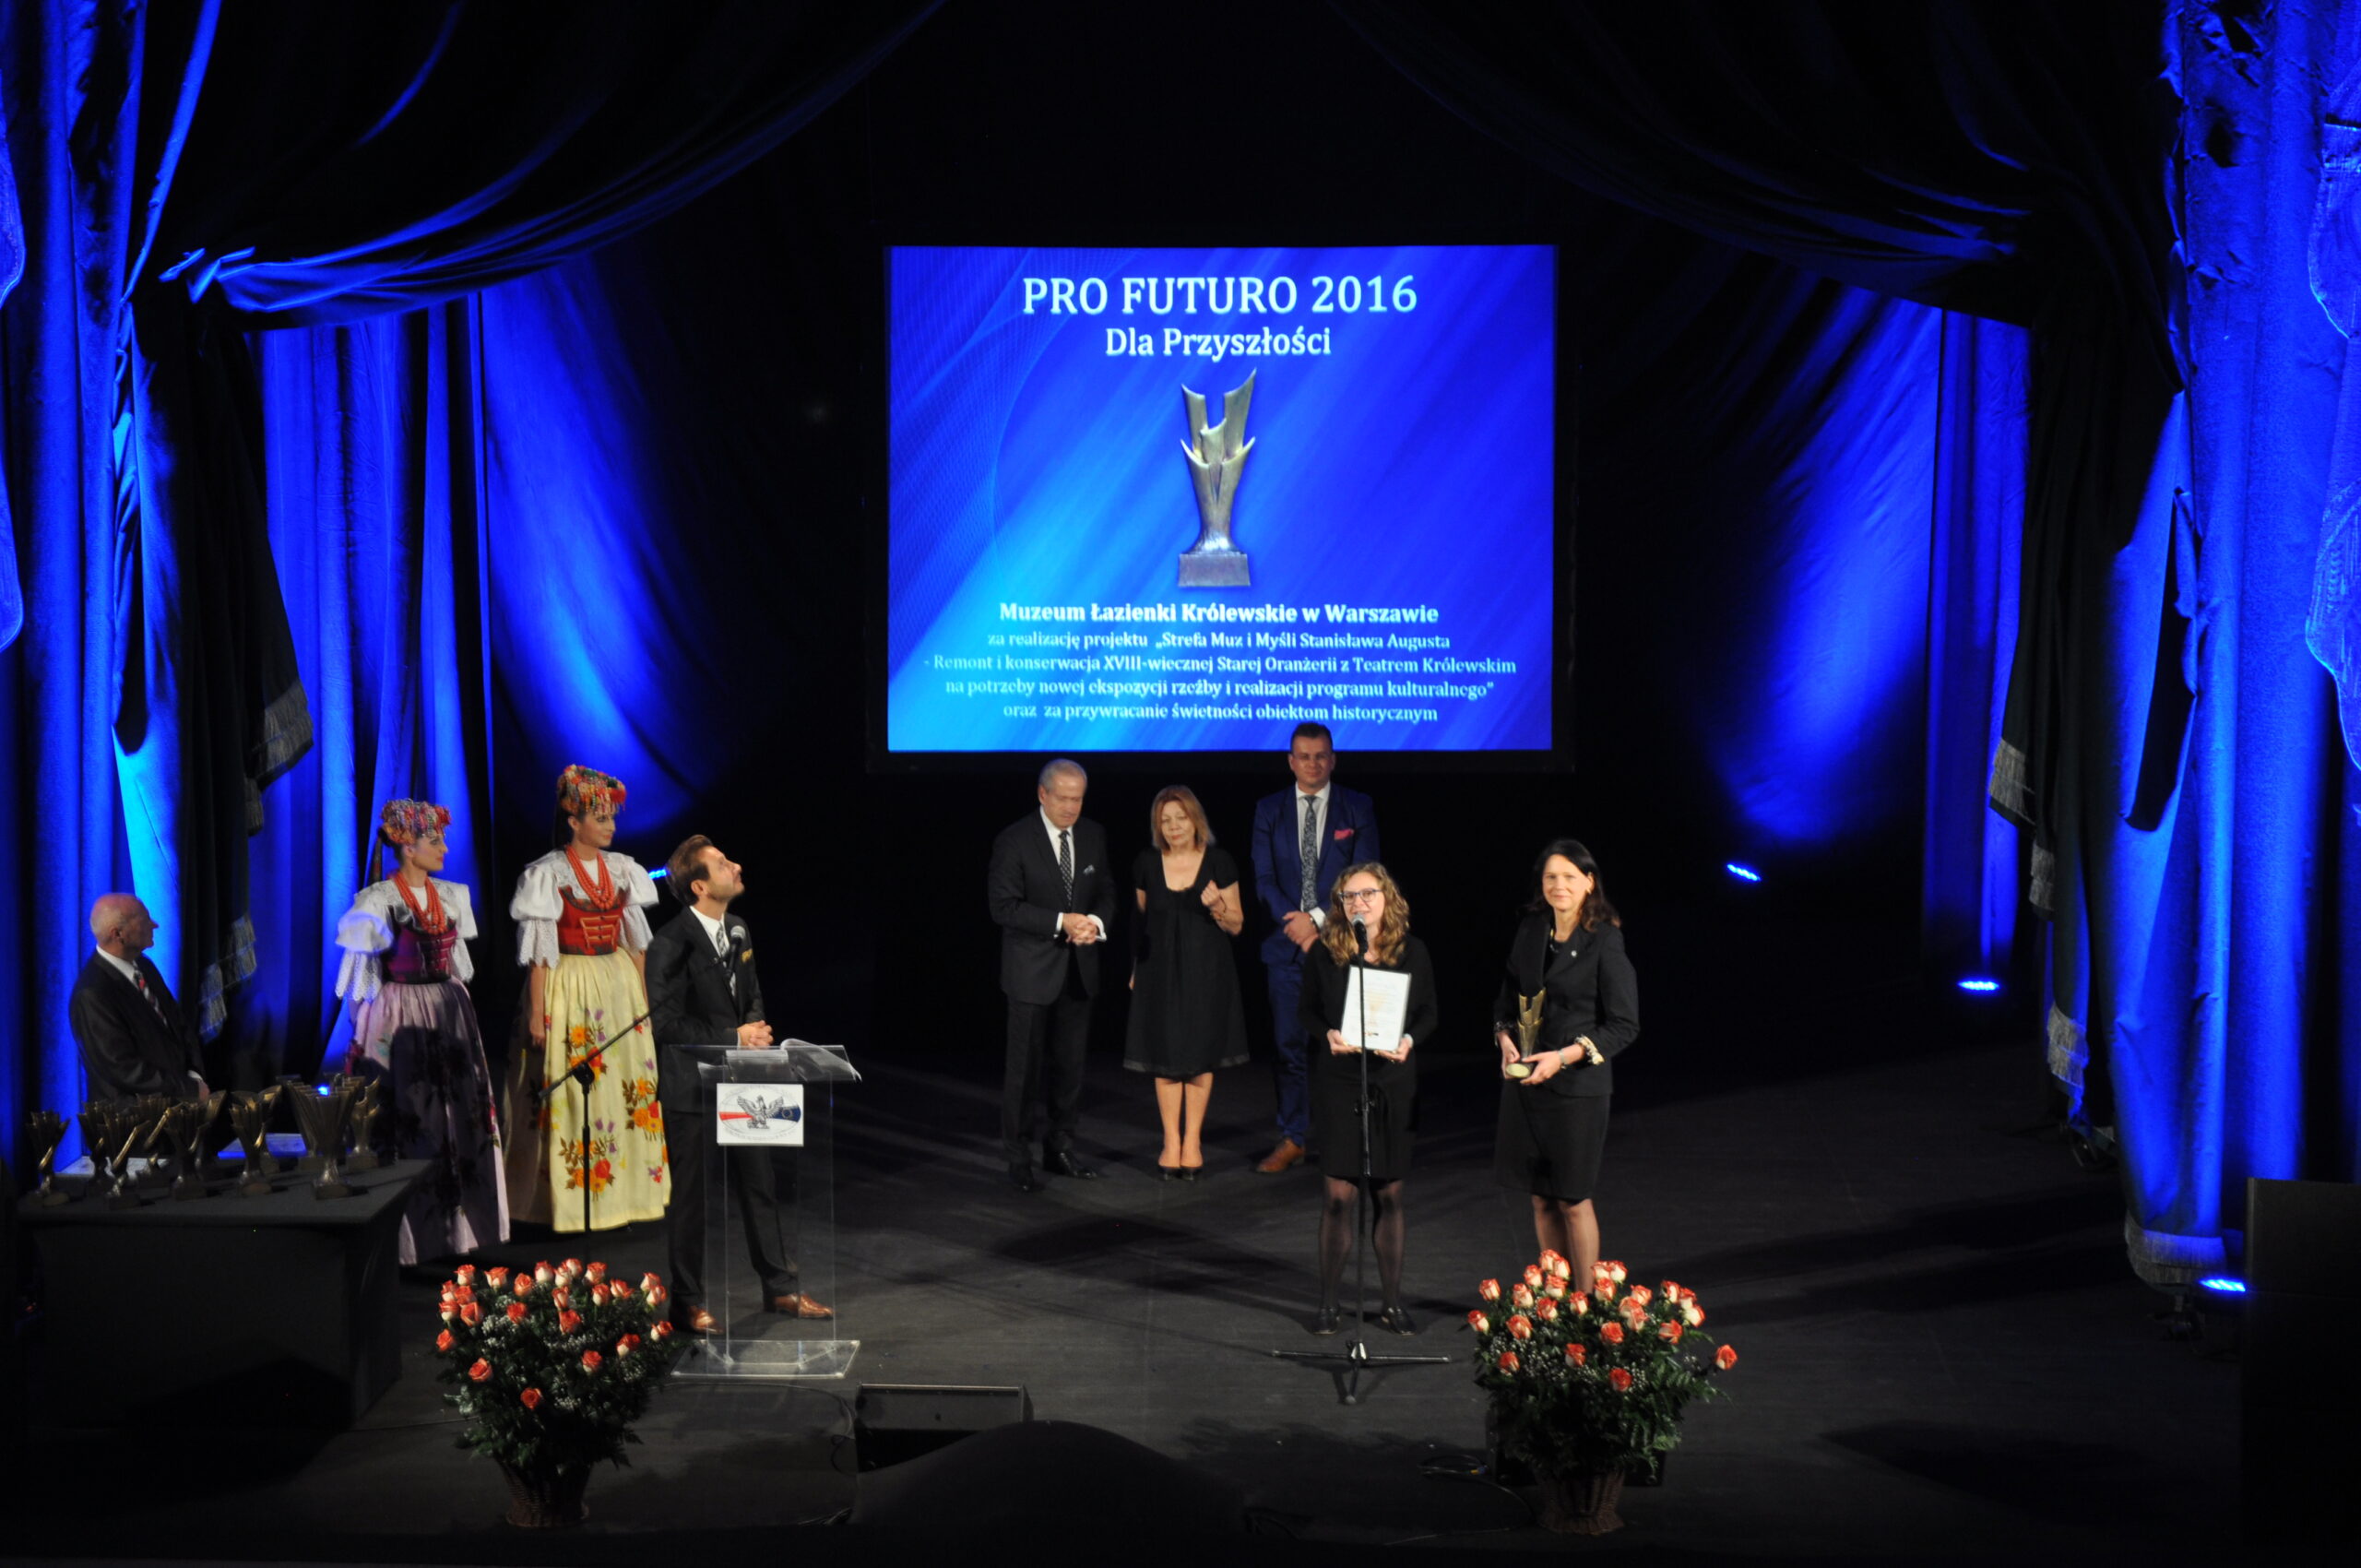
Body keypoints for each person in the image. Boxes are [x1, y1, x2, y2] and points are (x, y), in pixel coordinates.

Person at [647, 835, 830, 1333]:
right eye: (723, 863)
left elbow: (750, 996)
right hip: (691, 1086)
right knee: (691, 1197)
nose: (736, 865)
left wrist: (756, 1032)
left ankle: (780, 1287)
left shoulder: (739, 929)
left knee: (759, 1185)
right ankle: (687, 1301)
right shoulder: (671, 942)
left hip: (742, 1081)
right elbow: (666, 1024)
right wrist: (734, 1037)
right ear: (700, 886)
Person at [332, 799, 508, 1263]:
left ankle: (458, 1234)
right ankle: (406, 1241)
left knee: (456, 1115)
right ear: (407, 847)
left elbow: (457, 967)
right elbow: (360, 985)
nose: (444, 849)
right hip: (399, 1014)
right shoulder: (378, 901)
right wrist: (365, 1042)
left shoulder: (450, 896)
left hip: (448, 1010)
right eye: (435, 841)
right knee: (411, 1118)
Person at [502, 766, 669, 1231]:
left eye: (612, 817)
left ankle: (625, 1195)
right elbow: (539, 953)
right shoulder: (547, 873)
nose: (610, 826)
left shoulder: (624, 869)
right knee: (573, 1088)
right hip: (568, 981)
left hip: (615, 983)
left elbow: (636, 945)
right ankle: (568, 1202)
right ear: (574, 821)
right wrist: (537, 1012)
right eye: (600, 818)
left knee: (623, 1086)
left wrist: (641, 1002)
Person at [1492, 839, 1640, 1286]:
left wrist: (1563, 1056)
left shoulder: (1605, 939)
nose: (1559, 885)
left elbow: (1624, 1024)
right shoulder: (1532, 929)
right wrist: (1504, 1037)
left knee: (1572, 1200)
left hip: (1578, 1088)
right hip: (1528, 1084)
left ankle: (1586, 1302)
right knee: (1540, 1198)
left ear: (1589, 882)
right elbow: (1509, 994)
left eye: (1570, 877)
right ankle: (1554, 1298)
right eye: (1551, 877)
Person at [1299, 861, 1435, 1336]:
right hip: (1340, 1079)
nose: (1358, 902)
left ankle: (1392, 1304)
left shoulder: (1412, 951)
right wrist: (1328, 1034)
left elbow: (1429, 1013)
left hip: (1392, 1080)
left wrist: (1409, 1041)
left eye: (1367, 894)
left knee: (1388, 1194)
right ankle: (1329, 1304)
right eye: (1349, 896)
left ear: (1387, 897)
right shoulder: (1326, 952)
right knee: (1338, 1196)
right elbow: (1307, 1012)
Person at [1249, 722, 1380, 1173]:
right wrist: (1298, 925)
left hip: (1340, 947)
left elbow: (1366, 876)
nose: (1312, 764)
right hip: (1285, 947)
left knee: (1344, 1048)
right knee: (1289, 1048)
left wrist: (1319, 921)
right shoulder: (1269, 809)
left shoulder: (1357, 806)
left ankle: (1345, 1139)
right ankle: (1293, 1138)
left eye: (1321, 756)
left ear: (1332, 759)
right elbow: (1264, 879)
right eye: (1304, 756)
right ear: (1291, 761)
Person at [987, 759, 1116, 1193]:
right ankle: (1018, 1158)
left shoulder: (1094, 835)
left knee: (1070, 1070)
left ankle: (1060, 1149)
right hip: (1030, 973)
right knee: (1023, 1073)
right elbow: (1003, 907)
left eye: (1078, 799)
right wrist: (1063, 922)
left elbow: (1106, 892)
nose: (1071, 807)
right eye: (1063, 798)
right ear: (1042, 794)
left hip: (1079, 970)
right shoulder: (1014, 839)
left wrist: (1094, 924)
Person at [1124, 786, 1248, 1180]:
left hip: (1207, 972)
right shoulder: (1146, 862)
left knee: (1198, 1057)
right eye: (1165, 820)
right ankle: (1170, 1141)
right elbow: (1138, 922)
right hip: (1158, 970)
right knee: (1164, 1056)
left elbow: (1237, 925)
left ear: (1196, 820)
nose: (1174, 826)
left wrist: (1217, 906)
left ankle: (1192, 1141)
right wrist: (1134, 967)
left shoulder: (1219, 861)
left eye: (1180, 818)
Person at [68, 894, 205, 1102]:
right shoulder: (92, 993)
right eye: (144, 919)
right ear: (118, 934)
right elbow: (122, 1068)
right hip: (134, 1116)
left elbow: (179, 1025)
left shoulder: (144, 966)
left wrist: (194, 1075)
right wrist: (187, 1089)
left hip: (177, 1108)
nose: (155, 925)